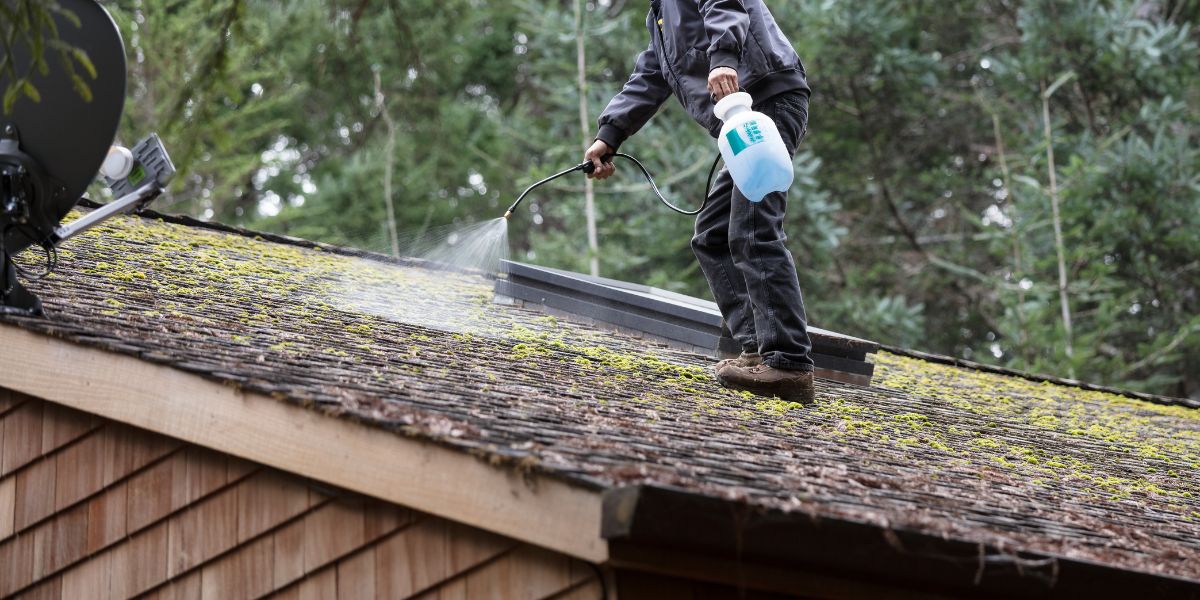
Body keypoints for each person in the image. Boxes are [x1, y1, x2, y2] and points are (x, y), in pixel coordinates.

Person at [585, 0, 816, 402]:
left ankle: (789, 363)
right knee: (712, 234)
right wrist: (610, 134)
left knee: (755, 228)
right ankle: (757, 348)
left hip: (766, 99)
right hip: (741, 119)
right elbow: (652, 74)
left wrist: (725, 58)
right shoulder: (660, 18)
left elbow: (724, 4)